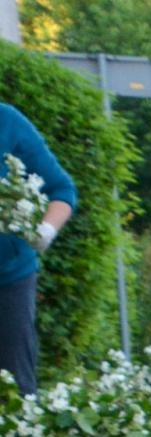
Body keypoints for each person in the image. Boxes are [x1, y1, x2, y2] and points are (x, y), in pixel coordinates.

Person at [0, 104, 77, 396]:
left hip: (7, 281)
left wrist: (46, 230)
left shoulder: (7, 122)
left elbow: (61, 190)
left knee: (14, 390)